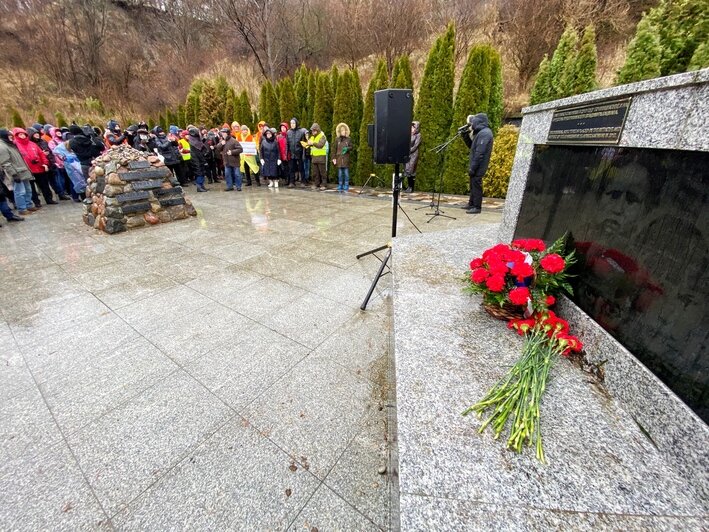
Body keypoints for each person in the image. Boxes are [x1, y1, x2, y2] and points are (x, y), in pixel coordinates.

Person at [13, 127, 55, 206]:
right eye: (20, 134)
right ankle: (36, 202)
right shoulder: (16, 145)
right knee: (31, 188)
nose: (22, 136)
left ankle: (49, 199)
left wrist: (45, 163)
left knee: (45, 185)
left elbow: (41, 154)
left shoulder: (32, 144)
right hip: (28, 170)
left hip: (39, 167)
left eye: (23, 134)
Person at [463, 113, 493, 214]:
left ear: (479, 121)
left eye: (474, 121)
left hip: (479, 165)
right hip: (476, 164)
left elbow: (480, 153)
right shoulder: (480, 133)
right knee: (473, 183)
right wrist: (465, 135)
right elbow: (472, 147)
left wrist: (473, 167)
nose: (472, 123)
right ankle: (471, 204)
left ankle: (477, 206)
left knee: (476, 184)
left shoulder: (485, 133)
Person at [0, 128, 35, 216]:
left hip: (23, 170)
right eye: (9, 135)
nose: (11, 137)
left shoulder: (11, 144)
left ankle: (29, 205)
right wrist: (13, 174)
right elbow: (5, 162)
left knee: (28, 189)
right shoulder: (2, 147)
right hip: (16, 173)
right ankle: (22, 208)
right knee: (20, 191)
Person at [29, 126, 69, 201]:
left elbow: (50, 152)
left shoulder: (43, 141)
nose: (37, 135)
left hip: (49, 163)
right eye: (35, 134)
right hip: (40, 166)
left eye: (37, 133)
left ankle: (61, 194)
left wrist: (52, 161)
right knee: (45, 184)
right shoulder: (32, 144)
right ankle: (49, 198)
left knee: (55, 181)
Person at [215, 127, 243, 191]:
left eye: (223, 133)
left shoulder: (234, 141)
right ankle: (229, 186)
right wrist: (221, 144)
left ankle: (238, 186)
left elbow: (240, 149)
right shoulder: (222, 141)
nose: (222, 134)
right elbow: (218, 148)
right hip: (226, 161)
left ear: (227, 133)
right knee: (227, 175)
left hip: (235, 161)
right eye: (222, 133)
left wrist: (232, 152)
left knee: (237, 174)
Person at [286, 118, 307, 187]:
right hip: (291, 153)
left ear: (296, 123)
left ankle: (303, 182)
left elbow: (305, 133)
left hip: (299, 153)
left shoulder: (300, 131)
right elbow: (287, 144)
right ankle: (292, 182)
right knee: (291, 168)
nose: (292, 124)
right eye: (291, 123)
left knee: (301, 168)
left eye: (293, 123)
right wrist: (286, 153)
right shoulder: (288, 132)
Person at [332, 122, 353, 192]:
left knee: (346, 173)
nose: (343, 132)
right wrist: (333, 158)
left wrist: (347, 148)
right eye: (342, 130)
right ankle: (340, 185)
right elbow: (334, 149)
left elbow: (352, 147)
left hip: (346, 159)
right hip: (339, 159)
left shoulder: (348, 139)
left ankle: (346, 185)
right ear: (340, 132)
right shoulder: (337, 139)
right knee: (340, 174)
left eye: (344, 130)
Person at [187, 126, 209, 192]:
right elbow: (199, 152)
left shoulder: (195, 139)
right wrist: (204, 160)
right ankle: (199, 187)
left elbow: (201, 145)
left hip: (198, 159)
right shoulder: (194, 142)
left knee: (201, 172)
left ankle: (202, 186)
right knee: (199, 172)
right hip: (196, 159)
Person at [308, 123, 327, 190]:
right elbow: (310, 144)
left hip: (321, 157)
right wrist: (307, 144)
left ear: (317, 130)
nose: (312, 132)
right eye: (312, 131)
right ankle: (316, 184)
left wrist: (312, 143)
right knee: (315, 172)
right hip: (314, 157)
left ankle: (324, 184)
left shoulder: (322, 136)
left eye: (314, 130)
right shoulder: (312, 137)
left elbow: (320, 145)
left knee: (322, 172)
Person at [404, 121, 421, 192]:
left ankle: (411, 187)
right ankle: (408, 186)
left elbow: (416, 145)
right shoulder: (408, 134)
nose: (411, 128)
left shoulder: (418, 135)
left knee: (412, 170)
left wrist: (409, 150)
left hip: (414, 154)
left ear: (416, 128)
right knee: (407, 169)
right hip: (407, 154)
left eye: (413, 127)